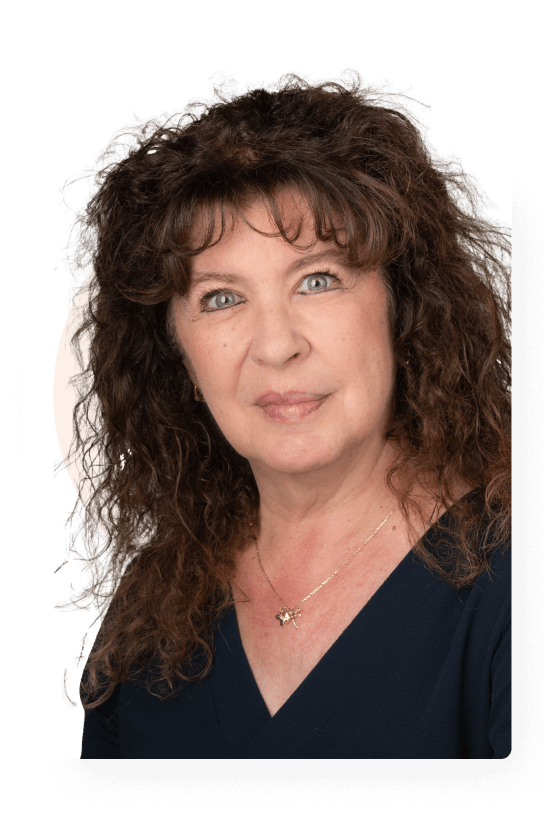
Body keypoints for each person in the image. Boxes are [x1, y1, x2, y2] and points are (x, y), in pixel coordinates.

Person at [68, 69, 512, 759]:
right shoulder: (150, 613)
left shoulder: (516, 582)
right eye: (221, 298)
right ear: (178, 355)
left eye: (317, 280)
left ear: (403, 309)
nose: (276, 346)